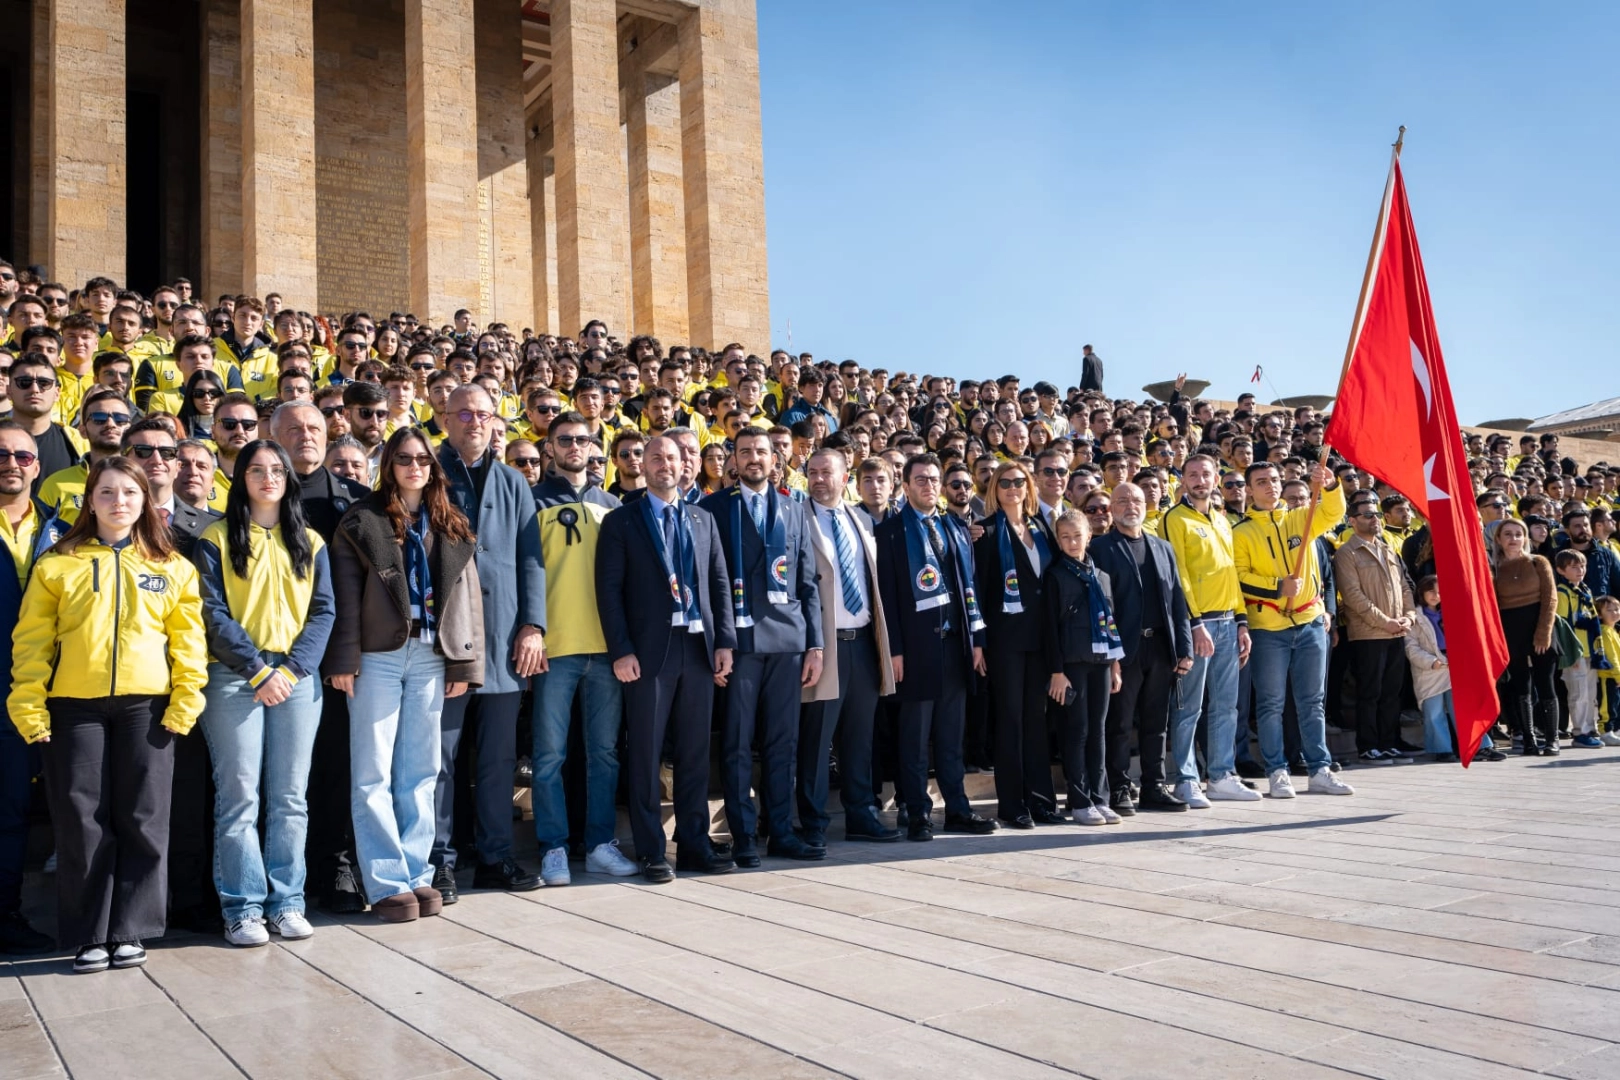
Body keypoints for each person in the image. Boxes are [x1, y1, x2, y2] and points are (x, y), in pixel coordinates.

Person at [8, 456, 208, 973]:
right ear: (89, 499)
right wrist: (29, 705)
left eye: (130, 493)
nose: (119, 501)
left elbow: (188, 642)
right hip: (74, 707)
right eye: (107, 492)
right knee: (81, 820)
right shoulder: (57, 563)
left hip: (148, 707)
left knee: (144, 816)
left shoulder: (172, 567)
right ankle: (89, 933)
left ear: (144, 502)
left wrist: (186, 701)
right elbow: (31, 643)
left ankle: (131, 929)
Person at [325, 428, 485, 922]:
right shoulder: (362, 518)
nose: (414, 466)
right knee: (372, 771)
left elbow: (468, 598)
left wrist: (465, 661)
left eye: (422, 459)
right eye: (403, 459)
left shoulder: (450, 521)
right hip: (378, 655)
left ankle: (417, 874)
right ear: (388, 464)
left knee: (419, 771)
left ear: (433, 466)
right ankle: (386, 880)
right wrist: (344, 659)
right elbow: (344, 594)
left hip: (432, 655)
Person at [192, 440, 335, 946]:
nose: (268, 477)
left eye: (277, 469)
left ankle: (287, 901)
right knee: (239, 798)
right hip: (235, 678)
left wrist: (293, 670)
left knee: (291, 799)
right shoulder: (216, 537)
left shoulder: (310, 541)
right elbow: (211, 612)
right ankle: (243, 906)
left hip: (296, 680)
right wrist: (257, 669)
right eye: (257, 469)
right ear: (241, 478)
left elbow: (323, 613)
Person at [595, 435, 736, 882]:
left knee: (694, 752)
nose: (664, 464)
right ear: (643, 465)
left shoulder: (702, 518)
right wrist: (621, 650)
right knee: (646, 754)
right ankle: (652, 850)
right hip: (647, 654)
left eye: (672, 457)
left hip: (697, 647)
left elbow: (719, 584)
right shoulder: (622, 521)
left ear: (685, 464)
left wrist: (724, 642)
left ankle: (693, 844)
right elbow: (609, 592)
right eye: (655, 457)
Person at [430, 386, 548, 898]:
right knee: (440, 759)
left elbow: (530, 558)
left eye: (483, 414)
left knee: (499, 758)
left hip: (503, 637)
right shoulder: (427, 471)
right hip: (444, 641)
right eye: (464, 413)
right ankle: (439, 861)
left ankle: (496, 857)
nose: (474, 422)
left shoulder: (512, 481)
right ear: (445, 418)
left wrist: (533, 626)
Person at [701, 428, 824, 864]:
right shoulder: (712, 508)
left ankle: (782, 831)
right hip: (739, 644)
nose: (754, 458)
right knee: (736, 744)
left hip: (788, 642)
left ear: (776, 459)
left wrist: (815, 644)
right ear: (732, 459)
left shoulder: (794, 509)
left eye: (762, 452)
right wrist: (720, 642)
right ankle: (744, 835)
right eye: (745, 451)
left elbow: (807, 581)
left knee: (782, 743)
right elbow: (707, 583)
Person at [530, 412, 640, 883]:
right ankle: (553, 846)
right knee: (549, 754)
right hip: (554, 647)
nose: (575, 446)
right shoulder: (531, 502)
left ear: (595, 446)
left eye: (583, 439)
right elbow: (526, 573)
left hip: (606, 647)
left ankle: (599, 844)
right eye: (565, 440)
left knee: (604, 754)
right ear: (549, 447)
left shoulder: (613, 505)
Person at [874, 453, 996, 840]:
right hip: (913, 650)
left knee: (950, 736)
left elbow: (968, 587)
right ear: (905, 485)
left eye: (933, 479)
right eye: (920, 480)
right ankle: (917, 813)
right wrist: (893, 649)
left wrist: (976, 641)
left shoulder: (953, 527)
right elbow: (887, 598)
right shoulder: (890, 532)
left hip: (955, 646)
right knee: (914, 737)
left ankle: (957, 809)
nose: (928, 486)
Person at [1233, 461, 1355, 797]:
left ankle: (1319, 769)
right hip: (1268, 629)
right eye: (1261, 482)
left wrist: (1329, 487)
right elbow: (1239, 576)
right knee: (1271, 704)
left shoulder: (1299, 517)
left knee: (1312, 702)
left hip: (1310, 623)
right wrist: (1276, 587)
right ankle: (1277, 771)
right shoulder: (1241, 532)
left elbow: (1333, 513)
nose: (1270, 486)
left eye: (1274, 480)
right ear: (1249, 490)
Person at [797, 447, 899, 844]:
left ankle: (861, 815)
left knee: (859, 739)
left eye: (827, 472)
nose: (819, 479)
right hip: (825, 645)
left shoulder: (860, 520)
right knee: (816, 742)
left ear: (845, 477)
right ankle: (813, 823)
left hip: (863, 644)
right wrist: (811, 643)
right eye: (813, 472)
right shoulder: (797, 517)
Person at [0, 425, 68, 954]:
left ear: (37, 466)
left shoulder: (63, 532)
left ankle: (7, 916)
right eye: (1, 454)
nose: (13, 462)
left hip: (40, 691)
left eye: (24, 454)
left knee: (13, 810)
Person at [1090, 482, 1194, 812]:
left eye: (1136, 499)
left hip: (1161, 647)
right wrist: (1110, 655)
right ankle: (1120, 788)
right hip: (1123, 652)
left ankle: (1154, 786)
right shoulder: (1099, 548)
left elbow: (1177, 598)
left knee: (1156, 723)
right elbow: (1100, 606)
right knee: (1119, 724)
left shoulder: (1162, 547)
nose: (1130, 505)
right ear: (1111, 508)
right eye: (1122, 500)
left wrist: (1185, 646)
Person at [1160, 454, 1258, 804]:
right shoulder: (1175, 518)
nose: (1200, 480)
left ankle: (1221, 775)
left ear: (1216, 479)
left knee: (1227, 706)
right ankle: (1186, 777)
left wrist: (1242, 622)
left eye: (1206, 474)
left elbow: (1231, 574)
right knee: (1189, 706)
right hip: (1198, 624)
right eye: (1192, 475)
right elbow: (1178, 574)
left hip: (1228, 622)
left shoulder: (1220, 519)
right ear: (1183, 480)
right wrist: (1194, 622)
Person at [973, 460, 1064, 827]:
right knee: (1010, 720)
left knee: (1036, 721)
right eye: (1005, 482)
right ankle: (1012, 805)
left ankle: (1041, 801)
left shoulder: (1041, 527)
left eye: (1019, 482)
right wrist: (979, 642)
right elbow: (976, 591)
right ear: (994, 489)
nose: (1013, 488)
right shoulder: (985, 531)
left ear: (1029, 488)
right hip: (1005, 640)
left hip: (1041, 639)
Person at [1044, 509, 1124, 824]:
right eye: (1065, 536)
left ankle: (1100, 797)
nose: (1072, 541)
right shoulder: (1055, 576)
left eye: (1077, 535)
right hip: (1072, 664)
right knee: (1076, 731)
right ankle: (1079, 800)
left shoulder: (1101, 576)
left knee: (1097, 731)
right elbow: (1049, 629)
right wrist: (1056, 671)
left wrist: (1116, 664)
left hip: (1102, 662)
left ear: (1088, 536)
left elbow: (1112, 622)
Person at [1334, 496, 1419, 764]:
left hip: (1397, 630)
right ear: (1352, 521)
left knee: (1392, 691)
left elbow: (1405, 586)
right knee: (1369, 692)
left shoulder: (1387, 549)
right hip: (1368, 634)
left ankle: (1389, 741)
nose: (1375, 519)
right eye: (1368, 515)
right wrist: (1385, 622)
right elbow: (1353, 597)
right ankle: (1368, 745)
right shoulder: (1347, 553)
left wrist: (1409, 616)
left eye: (1377, 515)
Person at [1405, 576, 1505, 763]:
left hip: (1455, 667)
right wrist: (1431, 662)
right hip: (1431, 670)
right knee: (1434, 712)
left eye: (1439, 592)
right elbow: (1411, 647)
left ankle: (1479, 747)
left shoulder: (1450, 612)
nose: (1436, 596)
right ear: (1422, 593)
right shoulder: (1415, 617)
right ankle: (1441, 749)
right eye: (1431, 591)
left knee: (1465, 708)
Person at [1492, 518, 1558, 755]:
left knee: (1546, 684)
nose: (1513, 539)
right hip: (1512, 632)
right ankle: (1528, 740)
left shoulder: (1538, 562)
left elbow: (1550, 599)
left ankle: (1552, 740)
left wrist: (1543, 633)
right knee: (1522, 686)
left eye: (1518, 534)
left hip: (1541, 630)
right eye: (1508, 534)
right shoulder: (1494, 569)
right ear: (1498, 539)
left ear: (1525, 538)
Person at [1554, 550, 1602, 748]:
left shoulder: (1584, 589)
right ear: (1561, 570)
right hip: (1575, 651)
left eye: (1582, 565)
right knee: (1578, 693)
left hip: (1590, 648)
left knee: (1590, 692)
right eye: (1573, 566)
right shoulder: (1562, 592)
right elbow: (1563, 625)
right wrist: (1569, 654)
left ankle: (1591, 727)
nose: (1579, 570)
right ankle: (1580, 731)